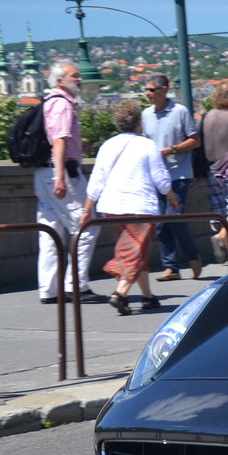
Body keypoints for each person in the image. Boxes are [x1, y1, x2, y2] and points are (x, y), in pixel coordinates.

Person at [83, 101, 178, 315]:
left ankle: (147, 297)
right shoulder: (147, 145)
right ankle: (120, 293)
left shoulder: (107, 146)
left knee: (136, 251)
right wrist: (171, 197)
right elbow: (161, 179)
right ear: (139, 122)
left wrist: (86, 209)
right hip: (140, 205)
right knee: (133, 252)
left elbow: (97, 180)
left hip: (113, 207)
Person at [37, 62, 103, 305]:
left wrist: (78, 147)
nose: (80, 79)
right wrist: (60, 177)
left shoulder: (48, 102)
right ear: (60, 81)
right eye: (74, 76)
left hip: (42, 173)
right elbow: (58, 141)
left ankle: (49, 289)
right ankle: (76, 286)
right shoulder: (63, 103)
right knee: (87, 226)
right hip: (60, 173)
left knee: (50, 231)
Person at [141, 73, 202, 281]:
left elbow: (195, 140)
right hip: (155, 176)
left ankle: (193, 256)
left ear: (164, 90)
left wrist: (173, 149)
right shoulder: (145, 114)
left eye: (151, 90)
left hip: (178, 173)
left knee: (174, 217)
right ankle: (171, 267)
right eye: (146, 90)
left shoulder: (180, 112)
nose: (147, 94)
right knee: (160, 223)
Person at [198, 83, 228, 256]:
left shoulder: (205, 117)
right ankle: (221, 237)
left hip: (211, 170)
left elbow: (198, 143)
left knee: (219, 212)